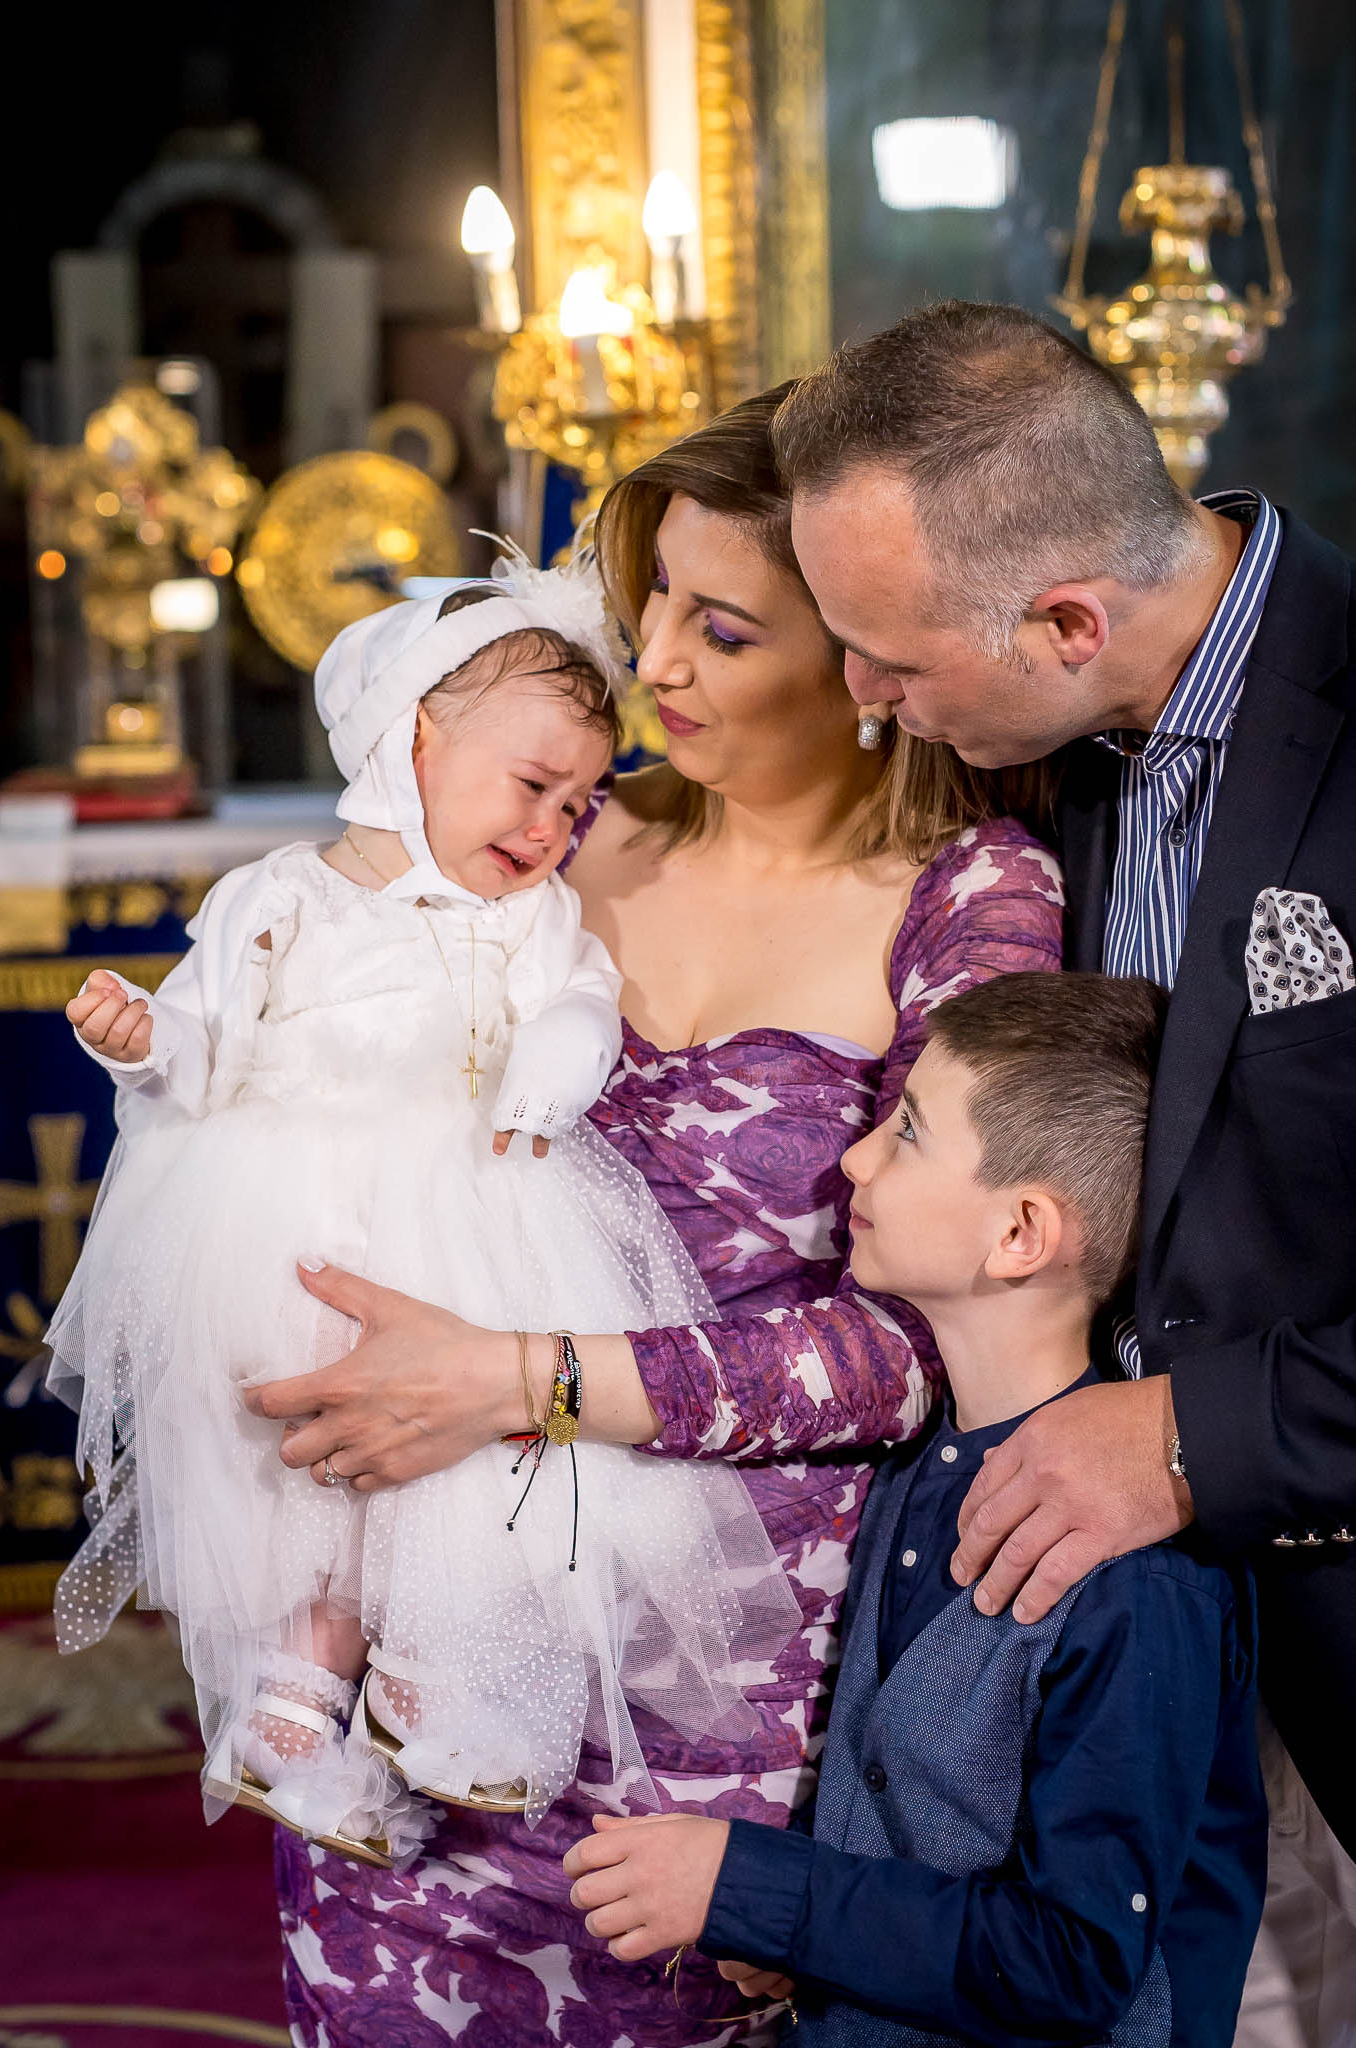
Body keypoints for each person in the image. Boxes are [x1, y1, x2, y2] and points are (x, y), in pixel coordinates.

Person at [245, 389, 1065, 2046]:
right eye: (658, 605)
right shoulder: (554, 833)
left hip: (733, 1700)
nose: (657, 663)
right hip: (433, 1634)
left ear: (866, 658)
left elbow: (934, 1338)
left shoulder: (971, 898)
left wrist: (515, 1377)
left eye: (724, 628)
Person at [770, 298, 1356, 2040]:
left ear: (1067, 617)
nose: (863, 701)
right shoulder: (1050, 753)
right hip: (1131, 1669)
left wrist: (1187, 1436)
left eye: (888, 656)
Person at [48, 547, 797, 1865]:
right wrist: (144, 1039)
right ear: (415, 739)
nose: (553, 827)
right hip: (294, 1227)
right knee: (319, 1492)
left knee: (480, 1464)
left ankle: (426, 1683)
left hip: (480, 1213)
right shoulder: (280, 895)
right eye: (532, 784)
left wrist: (560, 1059)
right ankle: (290, 1715)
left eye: (578, 802)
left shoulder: (533, 917)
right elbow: (205, 1053)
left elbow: (576, 1001)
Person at [565, 972, 1268, 2047]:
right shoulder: (913, 1463)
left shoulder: (1142, 1578)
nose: (855, 1158)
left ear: (1020, 1232)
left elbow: (1071, 1964)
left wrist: (760, 1890)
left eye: (907, 1131)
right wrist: (817, 1940)